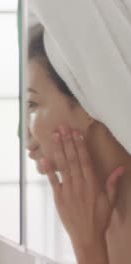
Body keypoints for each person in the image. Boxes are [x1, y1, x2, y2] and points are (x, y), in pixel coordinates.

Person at [27, 25, 131, 264]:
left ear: (88, 103)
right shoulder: (94, 215)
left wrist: (87, 246)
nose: (23, 132)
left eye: (32, 104)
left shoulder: (88, 226)